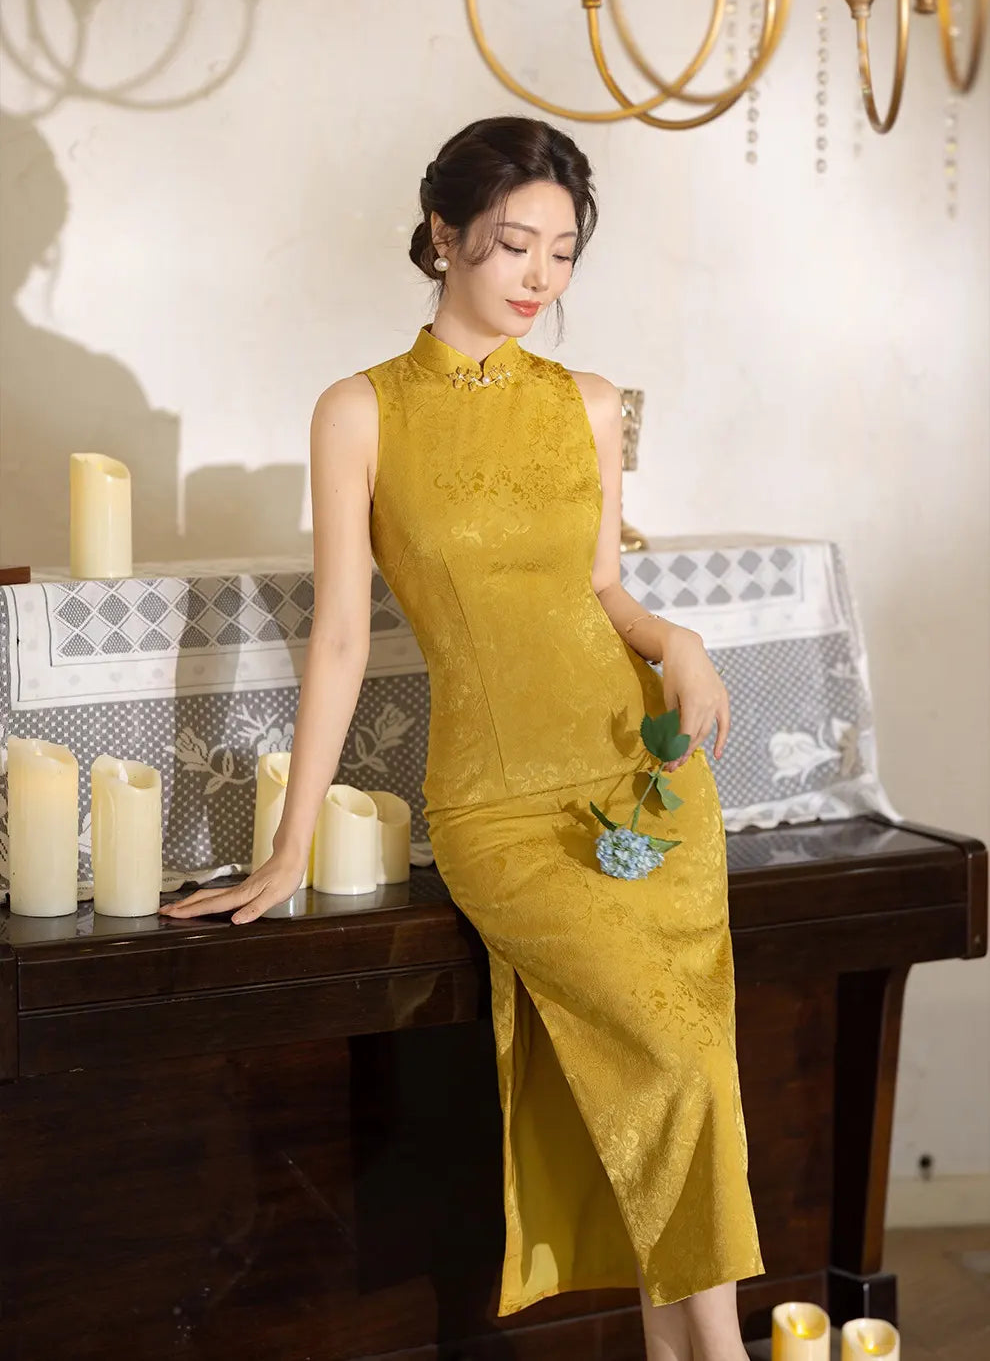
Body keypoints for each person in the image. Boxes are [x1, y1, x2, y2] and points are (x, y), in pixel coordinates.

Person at [160, 115, 764, 1361]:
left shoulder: (589, 405)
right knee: (667, 1047)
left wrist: (679, 645)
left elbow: (603, 590)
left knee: (687, 1062)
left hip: (638, 774)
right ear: (442, 239)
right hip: (499, 807)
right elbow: (335, 641)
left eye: (562, 252)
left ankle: (696, 1351)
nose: (540, 279)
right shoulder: (359, 413)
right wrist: (285, 851)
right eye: (511, 248)